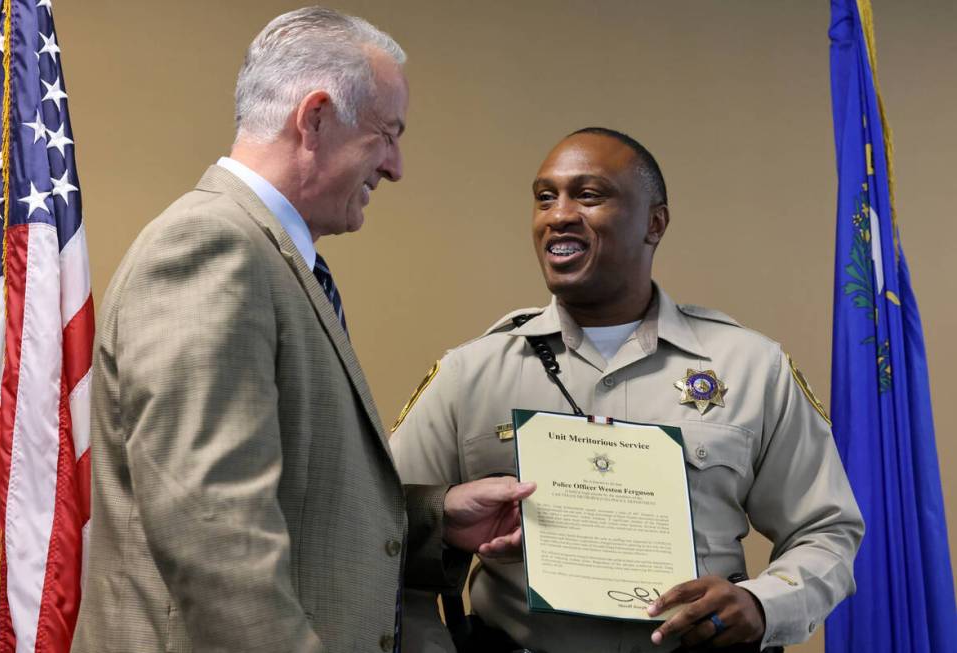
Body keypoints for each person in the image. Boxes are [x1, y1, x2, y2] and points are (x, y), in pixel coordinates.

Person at [72, 8, 534, 653]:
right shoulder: (212, 246)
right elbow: (214, 530)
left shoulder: (273, 260)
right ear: (315, 118)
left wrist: (434, 521)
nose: (396, 167)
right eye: (386, 134)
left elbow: (297, 496)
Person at [389, 127, 864, 652]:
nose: (559, 214)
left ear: (654, 223)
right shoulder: (469, 374)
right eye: (545, 198)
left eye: (588, 195)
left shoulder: (754, 368)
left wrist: (761, 604)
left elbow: (827, 532)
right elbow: (382, 524)